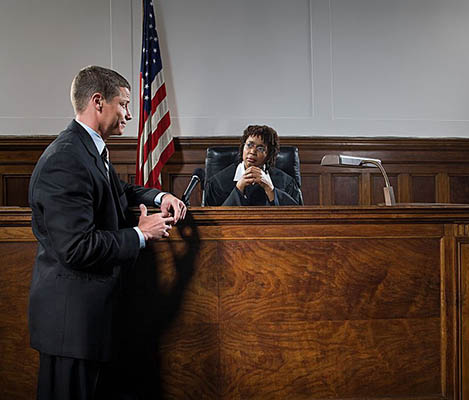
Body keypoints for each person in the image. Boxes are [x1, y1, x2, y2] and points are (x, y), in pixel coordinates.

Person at [28, 65, 187, 399]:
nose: (129, 114)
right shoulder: (65, 159)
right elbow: (76, 247)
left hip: (89, 325)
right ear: (98, 102)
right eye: (124, 104)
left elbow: (118, 191)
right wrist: (141, 234)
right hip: (72, 328)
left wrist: (160, 197)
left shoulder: (86, 148)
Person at [203, 125, 302, 206]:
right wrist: (239, 189)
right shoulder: (218, 183)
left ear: (269, 155)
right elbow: (212, 220)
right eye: (249, 145)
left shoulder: (286, 183)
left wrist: (271, 190)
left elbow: (297, 217)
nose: (252, 151)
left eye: (260, 148)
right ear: (242, 148)